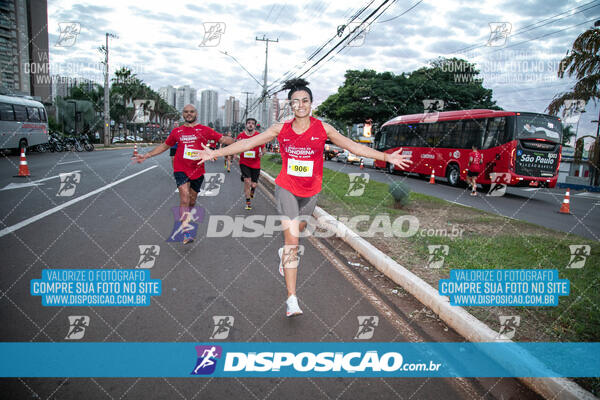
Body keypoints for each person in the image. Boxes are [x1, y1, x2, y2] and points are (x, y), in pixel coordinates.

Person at [195, 80, 412, 317]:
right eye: (295, 101)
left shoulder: (323, 129)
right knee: (293, 243)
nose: (300, 105)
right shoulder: (281, 129)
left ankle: (284, 256)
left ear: (311, 103)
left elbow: (353, 147)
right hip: (287, 188)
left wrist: (385, 157)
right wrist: (215, 152)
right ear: (290, 105)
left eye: (305, 101)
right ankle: (291, 299)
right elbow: (247, 143)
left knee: (296, 237)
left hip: (311, 192)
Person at [133, 104, 234, 244]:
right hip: (180, 169)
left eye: (191, 112)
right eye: (186, 112)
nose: (189, 114)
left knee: (192, 200)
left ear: (196, 114)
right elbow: (165, 146)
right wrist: (147, 155)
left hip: (198, 169)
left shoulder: (205, 130)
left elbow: (223, 139)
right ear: (183, 114)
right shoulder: (177, 131)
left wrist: (239, 142)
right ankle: (186, 230)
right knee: (185, 197)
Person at [237, 118, 265, 210]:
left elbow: (263, 148)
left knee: (253, 184)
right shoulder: (241, 136)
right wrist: (234, 153)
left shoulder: (259, 136)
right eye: (249, 123)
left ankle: (253, 189)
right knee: (247, 181)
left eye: (252, 123)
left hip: (256, 163)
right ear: (246, 125)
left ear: (255, 126)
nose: (250, 125)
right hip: (244, 162)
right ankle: (248, 202)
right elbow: (236, 146)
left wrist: (262, 153)